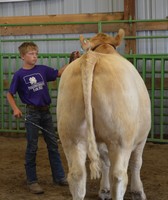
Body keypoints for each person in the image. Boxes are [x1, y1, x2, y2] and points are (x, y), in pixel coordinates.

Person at [6, 42, 68, 195]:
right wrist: (15, 108)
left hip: (46, 113)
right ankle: (32, 181)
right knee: (32, 147)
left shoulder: (42, 70)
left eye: (36, 53)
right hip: (32, 113)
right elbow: (9, 93)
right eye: (31, 54)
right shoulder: (19, 75)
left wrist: (73, 62)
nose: (35, 56)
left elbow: (59, 73)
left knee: (53, 145)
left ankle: (59, 177)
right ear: (23, 56)